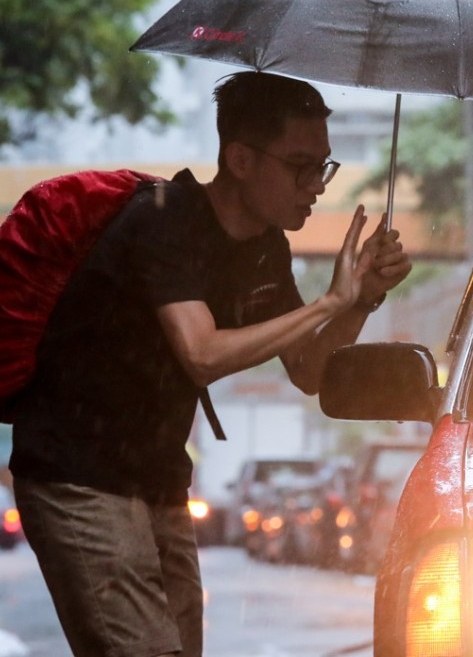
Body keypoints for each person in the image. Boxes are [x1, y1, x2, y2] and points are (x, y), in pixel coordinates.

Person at [8, 71, 412, 657]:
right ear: (241, 159)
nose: (316, 186)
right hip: (76, 475)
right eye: (301, 166)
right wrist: (330, 301)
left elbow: (307, 369)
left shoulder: (266, 247)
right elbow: (200, 354)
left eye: (323, 167)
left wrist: (364, 297)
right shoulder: (163, 221)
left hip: (158, 480)